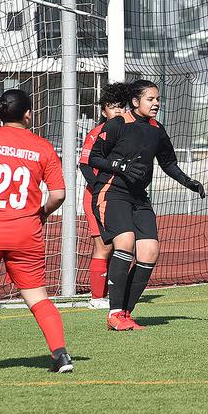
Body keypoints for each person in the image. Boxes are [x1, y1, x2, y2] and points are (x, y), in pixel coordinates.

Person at [89, 80, 206, 331]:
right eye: (150, 99)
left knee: (150, 251)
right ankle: (114, 312)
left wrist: (189, 182)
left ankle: (126, 313)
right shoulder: (118, 124)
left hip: (139, 197)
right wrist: (120, 166)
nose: (156, 104)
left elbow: (168, 163)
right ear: (135, 102)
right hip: (112, 192)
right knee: (125, 243)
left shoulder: (157, 129)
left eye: (157, 99)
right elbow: (93, 157)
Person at [0, 89, 73, 372]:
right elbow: (58, 194)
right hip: (26, 231)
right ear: (28, 114)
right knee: (37, 297)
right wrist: (40, 214)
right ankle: (60, 354)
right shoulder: (42, 147)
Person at [78, 83, 128, 309]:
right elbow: (85, 165)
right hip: (97, 197)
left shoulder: (130, 131)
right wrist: (100, 187)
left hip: (120, 197)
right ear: (103, 110)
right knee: (104, 247)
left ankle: (113, 295)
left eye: (121, 106)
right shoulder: (97, 132)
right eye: (112, 106)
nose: (117, 110)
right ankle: (97, 299)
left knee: (125, 245)